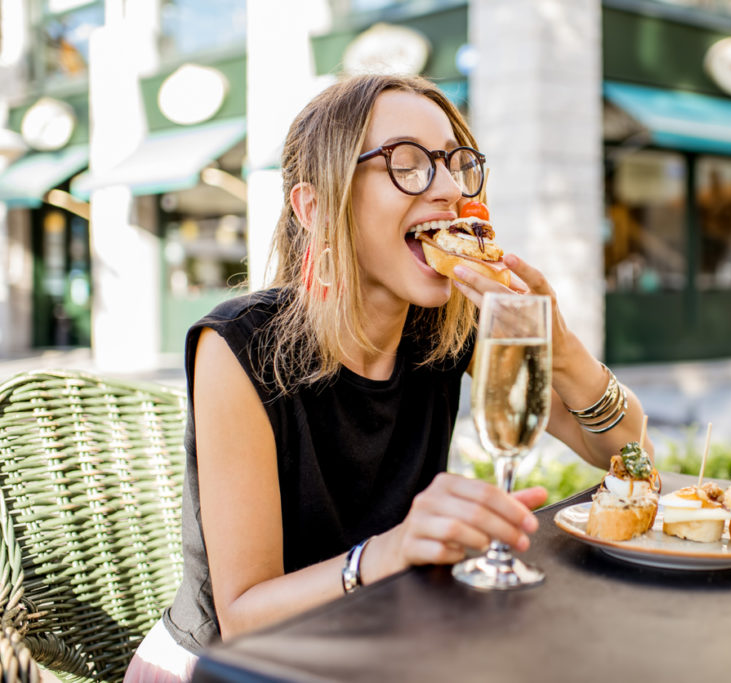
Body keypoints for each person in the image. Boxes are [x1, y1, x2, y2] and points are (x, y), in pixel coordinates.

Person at [124, 73, 652, 681]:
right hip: (229, 666)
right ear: (316, 206)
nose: (452, 189)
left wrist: (559, 347)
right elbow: (243, 616)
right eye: (408, 163)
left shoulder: (449, 327)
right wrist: (395, 550)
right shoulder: (239, 347)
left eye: (457, 164)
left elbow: (628, 456)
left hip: (380, 640)